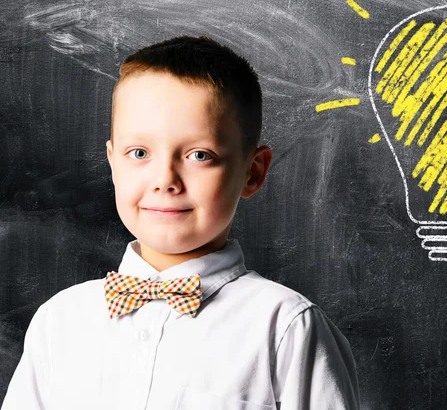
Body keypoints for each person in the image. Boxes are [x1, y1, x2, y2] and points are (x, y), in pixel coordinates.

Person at [1, 36, 360, 409]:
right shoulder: (61, 321)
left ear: (253, 172)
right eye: (139, 152)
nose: (165, 180)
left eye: (199, 155)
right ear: (112, 162)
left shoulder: (285, 328)